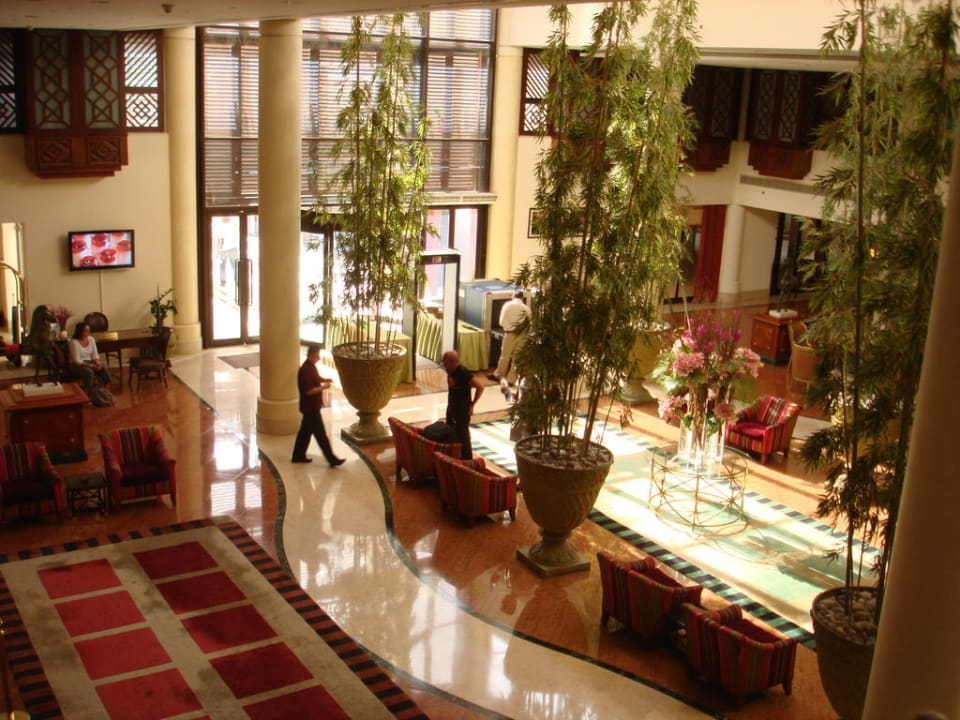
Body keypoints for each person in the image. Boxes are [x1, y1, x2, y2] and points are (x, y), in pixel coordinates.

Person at [291, 345, 346, 467]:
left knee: (305, 433)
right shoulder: (305, 370)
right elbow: (308, 391)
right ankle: (332, 459)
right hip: (310, 408)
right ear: (311, 355)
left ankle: (298, 455)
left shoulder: (310, 367)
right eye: (317, 355)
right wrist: (323, 387)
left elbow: (315, 379)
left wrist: (325, 379)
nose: (319, 358)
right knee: (321, 435)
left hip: (311, 408)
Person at [442, 350, 484, 460]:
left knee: (463, 437)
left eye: (445, 361)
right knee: (450, 432)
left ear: (452, 362)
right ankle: (453, 456)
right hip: (452, 407)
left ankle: (467, 460)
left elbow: (480, 387)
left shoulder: (463, 373)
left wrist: (472, 405)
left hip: (462, 410)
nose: (443, 364)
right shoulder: (449, 370)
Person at [489, 290, 529, 385]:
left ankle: (499, 375)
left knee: (505, 356)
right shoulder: (526, 308)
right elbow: (529, 322)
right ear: (522, 298)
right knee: (517, 357)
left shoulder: (507, 305)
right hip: (522, 334)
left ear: (513, 296)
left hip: (509, 333)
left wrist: (506, 327)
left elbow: (501, 321)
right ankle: (511, 379)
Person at [69, 321, 111, 390]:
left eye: (88, 331)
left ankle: (105, 389)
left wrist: (97, 362)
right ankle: (89, 390)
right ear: (80, 332)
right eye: (85, 331)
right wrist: (91, 366)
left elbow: (95, 354)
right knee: (89, 371)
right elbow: (77, 360)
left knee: (104, 367)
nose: (88, 333)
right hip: (76, 365)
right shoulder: (74, 342)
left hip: (89, 361)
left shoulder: (91, 339)